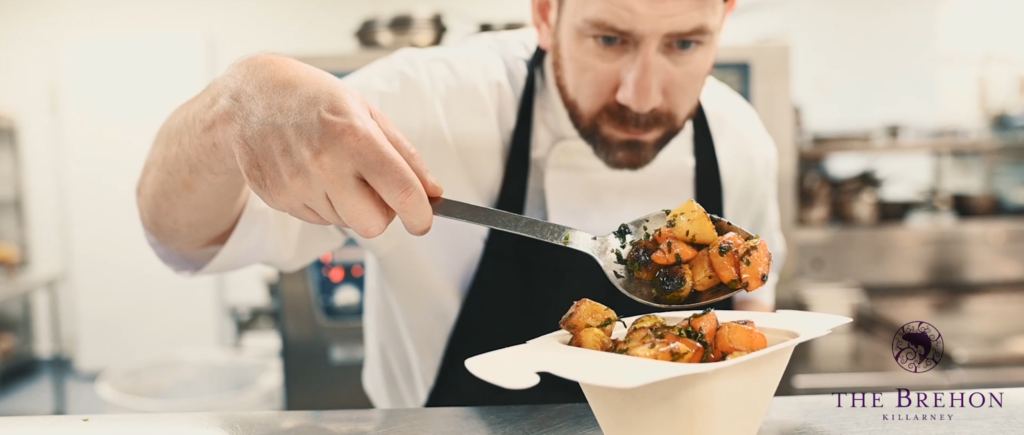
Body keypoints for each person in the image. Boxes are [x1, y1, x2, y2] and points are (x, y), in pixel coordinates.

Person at [137, 0, 785, 408]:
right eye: (609, 40)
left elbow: (755, 304)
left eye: (684, 45)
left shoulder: (738, 138)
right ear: (544, 13)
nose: (642, 95)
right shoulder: (424, 100)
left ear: (723, 18)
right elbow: (184, 240)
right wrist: (231, 107)